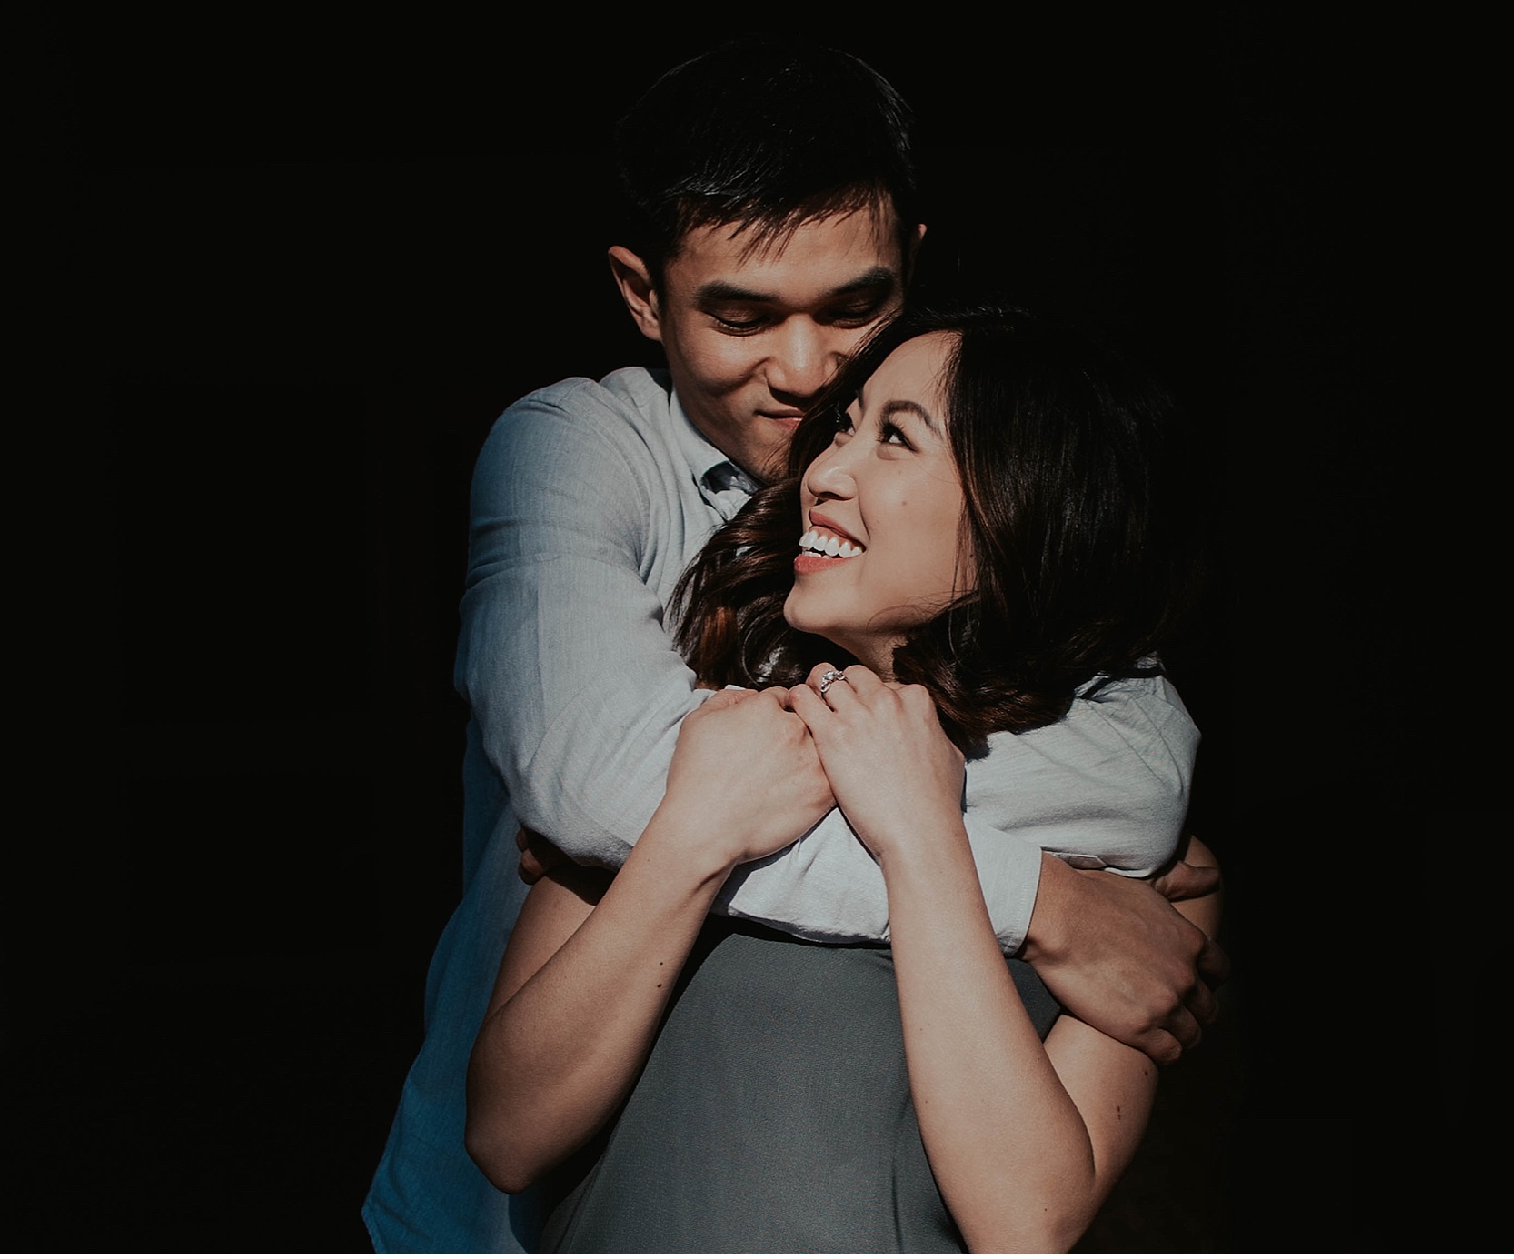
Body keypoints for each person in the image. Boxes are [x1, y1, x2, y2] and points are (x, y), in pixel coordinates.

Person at [362, 36, 1227, 1254]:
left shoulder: (1080, 705)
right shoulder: (576, 457)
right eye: (742, 313)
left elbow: (1138, 780)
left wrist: (932, 815)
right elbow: (604, 783)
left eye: (854, 309)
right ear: (638, 291)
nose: (809, 378)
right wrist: (1039, 895)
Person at [468, 304, 1216, 1252]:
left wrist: (922, 834)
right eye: (845, 426)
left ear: (1024, 510)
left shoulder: (1140, 868)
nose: (822, 472)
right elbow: (506, 1132)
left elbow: (1023, 1226)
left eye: (895, 439)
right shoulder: (707, 743)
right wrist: (692, 837)